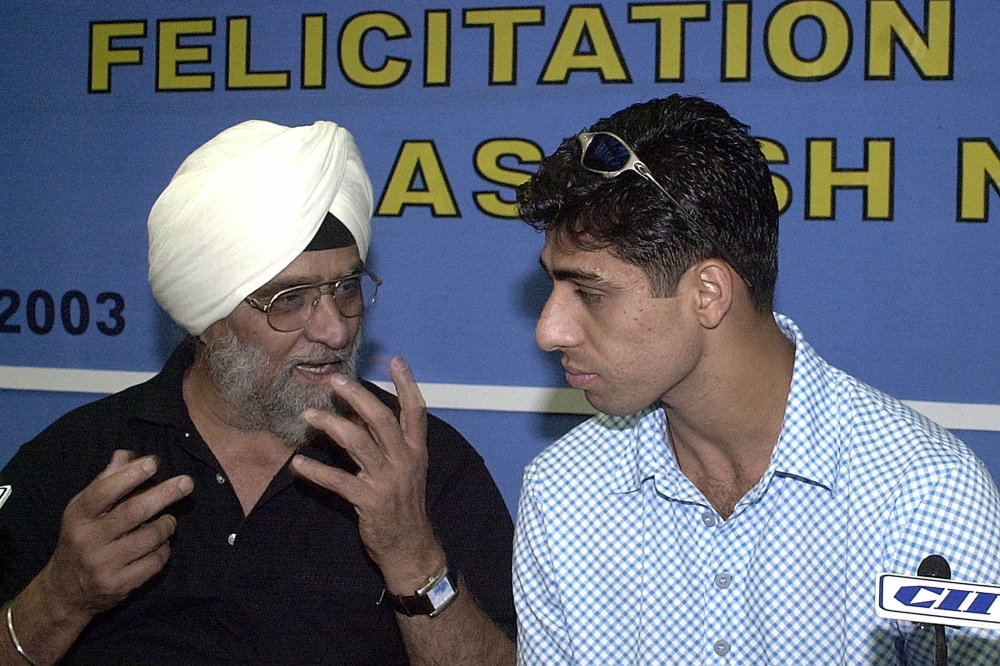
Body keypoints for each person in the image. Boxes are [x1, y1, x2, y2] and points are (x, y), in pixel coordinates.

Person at [0, 120, 516, 665]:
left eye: (346, 289)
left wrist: (415, 560)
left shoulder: (421, 463)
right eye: (288, 300)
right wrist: (58, 600)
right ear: (206, 318)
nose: (335, 330)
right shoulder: (81, 459)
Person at [512, 95, 1000, 664]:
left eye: (591, 294)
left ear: (709, 293)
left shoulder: (925, 495)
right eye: (553, 287)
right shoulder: (564, 491)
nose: (549, 330)